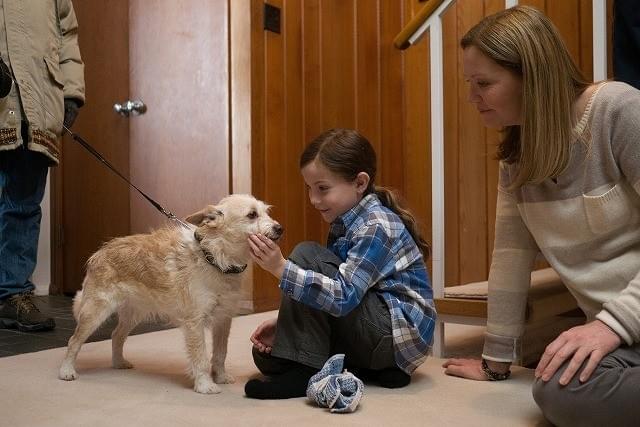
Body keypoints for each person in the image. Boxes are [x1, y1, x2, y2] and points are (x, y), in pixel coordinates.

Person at [441, 5, 640, 426]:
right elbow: (510, 258)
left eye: (484, 84)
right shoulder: (516, 157)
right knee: (558, 388)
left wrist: (612, 324)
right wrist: (496, 359)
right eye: (469, 83)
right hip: (624, 337)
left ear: (532, 76)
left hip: (624, 320)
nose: (471, 97)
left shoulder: (618, 110)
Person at [244, 128, 436, 399]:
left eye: (322, 188)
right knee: (267, 357)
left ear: (359, 183)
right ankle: (372, 369)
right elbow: (337, 291)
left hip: (394, 337)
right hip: (376, 332)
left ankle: (307, 372)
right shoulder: (346, 220)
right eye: (310, 189)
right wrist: (287, 321)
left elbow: (344, 296)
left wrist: (280, 267)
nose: (313, 199)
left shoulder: (375, 225)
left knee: (307, 254)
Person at [0, 0, 85, 332]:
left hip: (37, 99)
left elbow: (68, 34)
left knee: (24, 204)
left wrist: (72, 92)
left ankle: (13, 296)